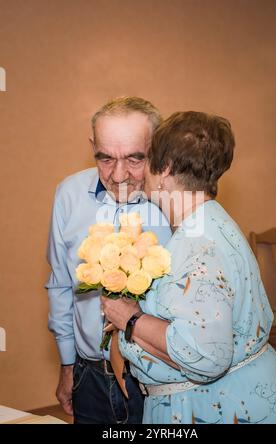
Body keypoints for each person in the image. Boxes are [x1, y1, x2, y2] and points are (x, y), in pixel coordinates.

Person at [102, 111, 276, 424]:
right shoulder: (207, 222)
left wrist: (129, 318)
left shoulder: (198, 245)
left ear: (165, 169)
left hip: (220, 408)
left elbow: (206, 356)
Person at [45, 97, 172, 424]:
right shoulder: (68, 195)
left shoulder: (175, 203)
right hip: (89, 377)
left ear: (156, 149)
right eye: (105, 158)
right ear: (92, 147)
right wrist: (67, 364)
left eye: (134, 158)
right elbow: (60, 284)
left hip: (157, 380)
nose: (118, 175)